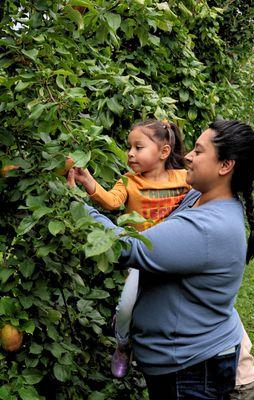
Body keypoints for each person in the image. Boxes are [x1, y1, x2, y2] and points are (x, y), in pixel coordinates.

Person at [69, 119, 254, 399]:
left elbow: (129, 248)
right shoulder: (198, 195)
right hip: (186, 366)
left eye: (198, 151)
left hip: (193, 372)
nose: (187, 157)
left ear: (225, 166)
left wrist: (71, 204)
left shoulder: (209, 227)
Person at [68, 119, 191, 378]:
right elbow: (112, 202)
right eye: (129, 148)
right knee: (126, 307)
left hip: (175, 255)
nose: (131, 153)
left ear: (164, 152)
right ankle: (123, 344)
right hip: (142, 258)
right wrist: (88, 181)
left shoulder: (185, 179)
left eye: (138, 147)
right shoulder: (129, 182)